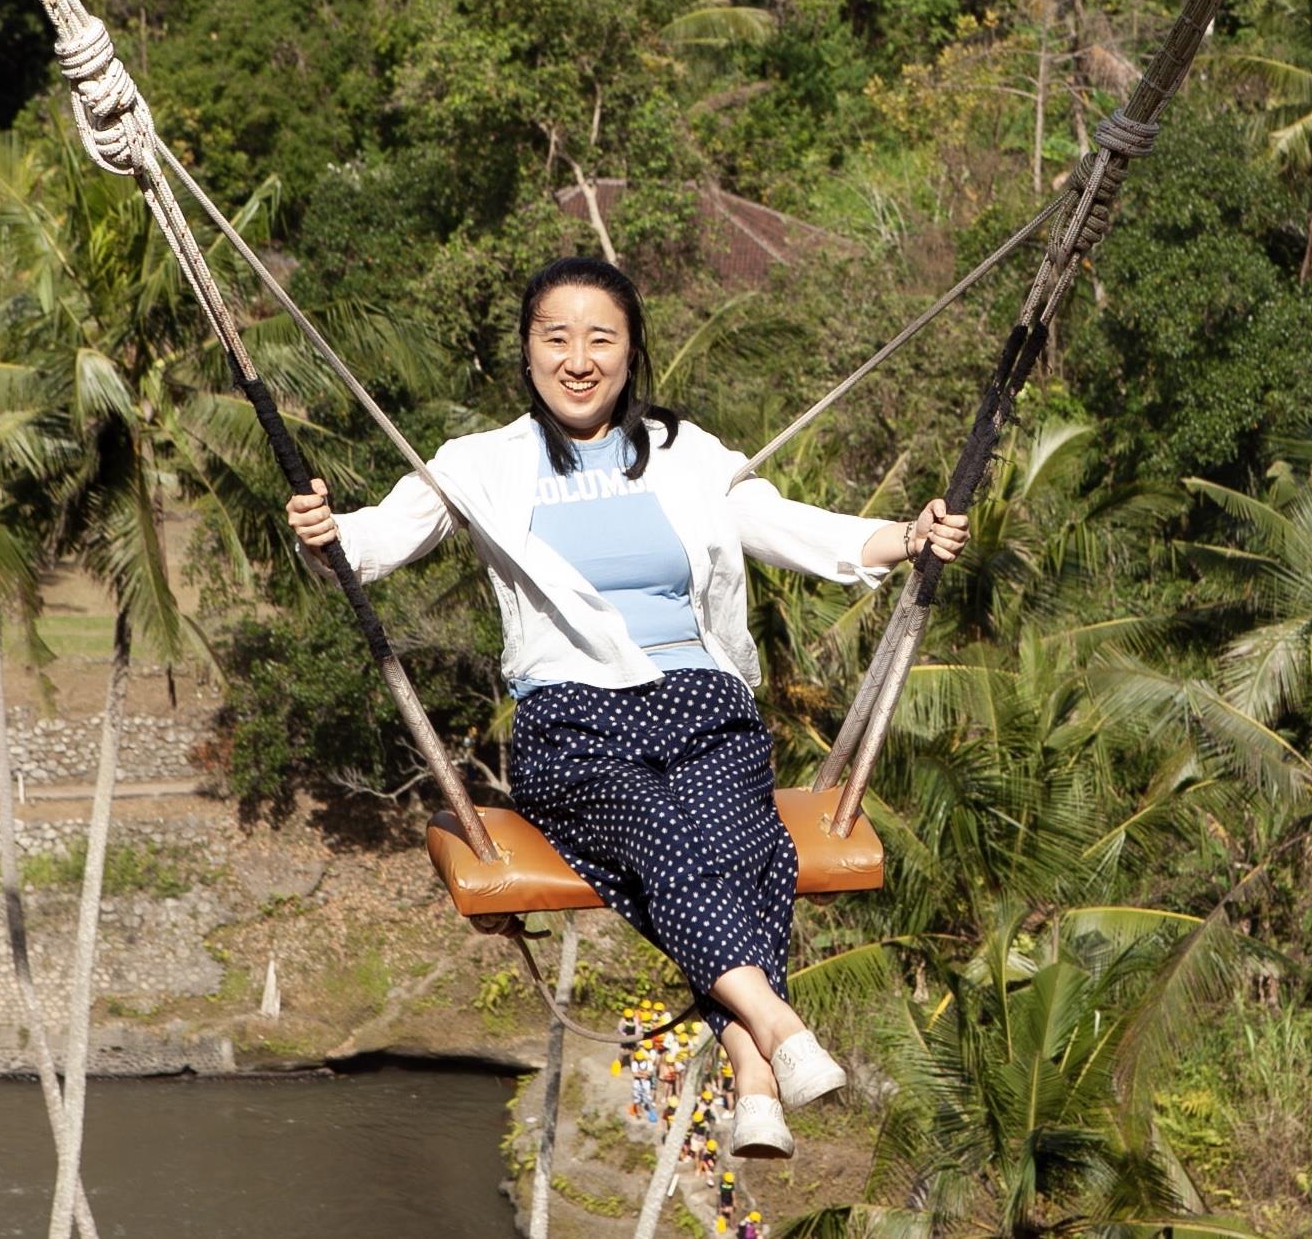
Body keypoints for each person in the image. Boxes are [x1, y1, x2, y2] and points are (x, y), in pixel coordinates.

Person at [287, 256, 969, 1158]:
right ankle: (777, 1025)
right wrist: (327, 535)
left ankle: (753, 1066)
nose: (579, 358)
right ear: (526, 353)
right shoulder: (480, 465)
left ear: (631, 350)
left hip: (700, 699)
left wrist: (908, 538)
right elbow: (371, 543)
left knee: (742, 838)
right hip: (571, 717)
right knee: (656, 828)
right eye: (556, 337)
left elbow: (791, 526)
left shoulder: (688, 456)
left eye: (600, 338)